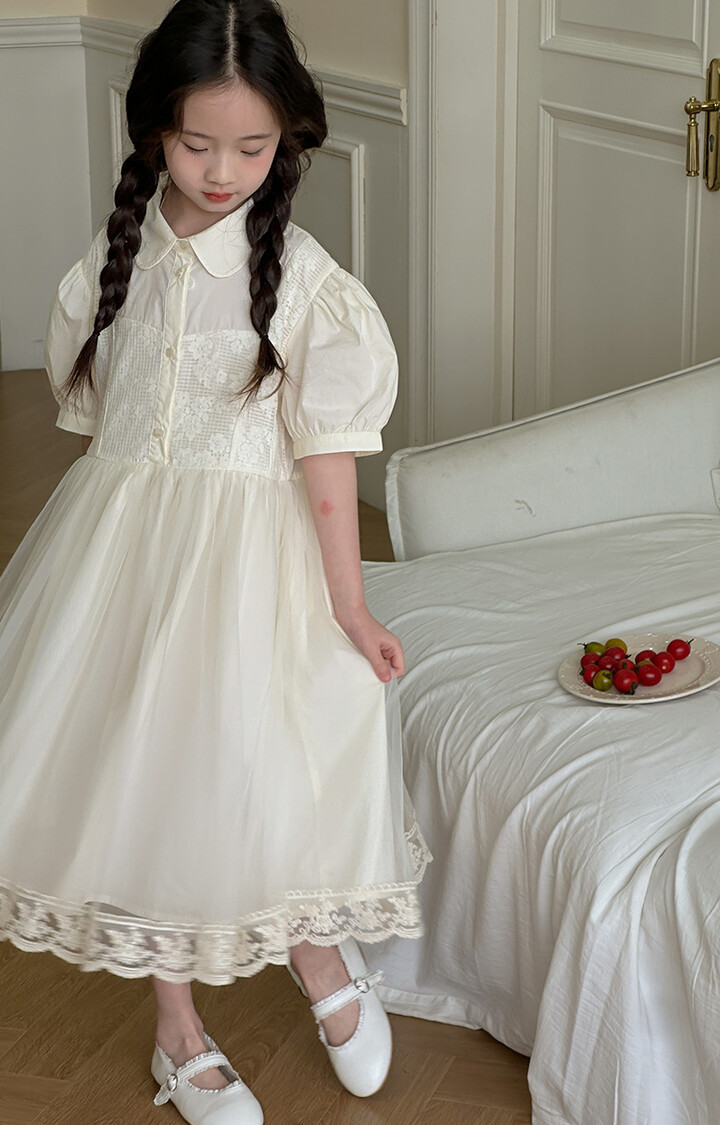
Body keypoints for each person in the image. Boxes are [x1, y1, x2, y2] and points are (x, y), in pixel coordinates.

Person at [0, 1, 432, 1121]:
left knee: (268, 760)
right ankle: (177, 1031)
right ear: (155, 130)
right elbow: (106, 435)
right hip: (129, 561)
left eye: (254, 146)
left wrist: (350, 605)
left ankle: (318, 955)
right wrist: (115, 571)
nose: (225, 171)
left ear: (288, 139)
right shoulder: (113, 263)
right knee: (151, 776)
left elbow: (326, 462)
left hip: (258, 565)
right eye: (199, 145)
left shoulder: (307, 286)